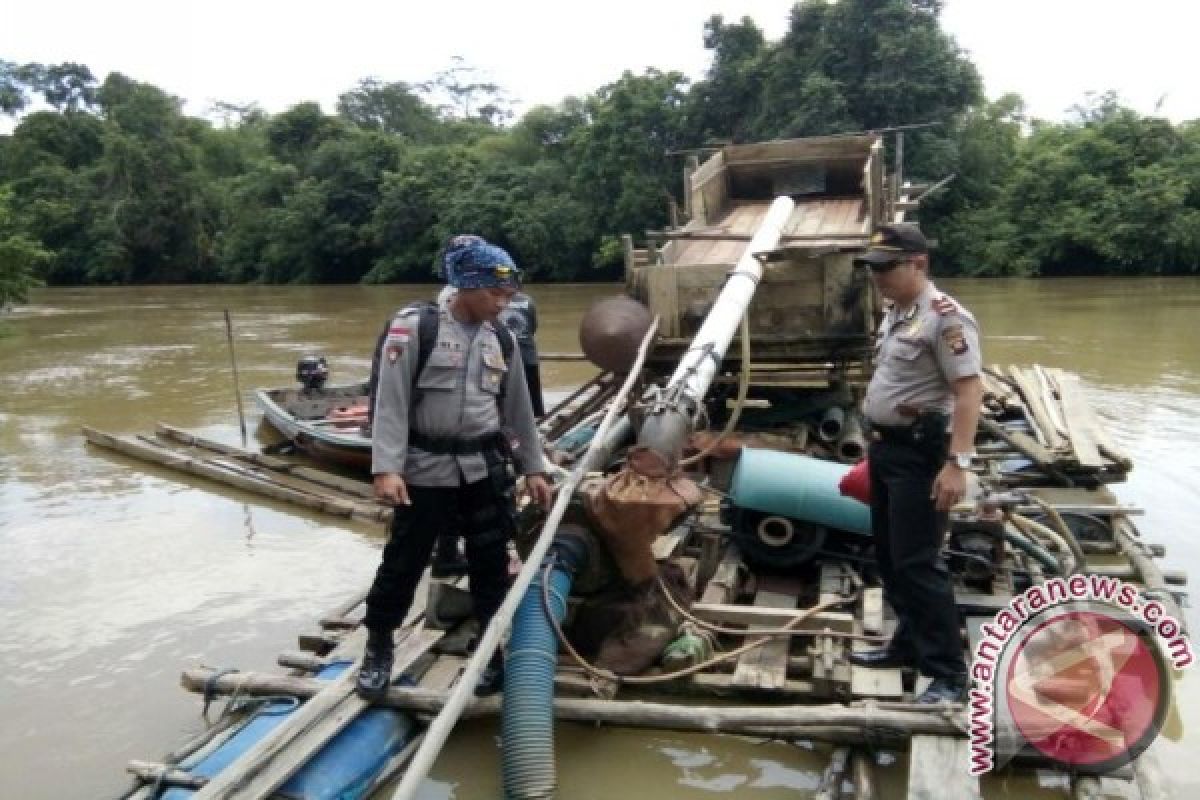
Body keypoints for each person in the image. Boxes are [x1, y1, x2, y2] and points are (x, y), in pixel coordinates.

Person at [358, 236, 554, 700]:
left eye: (508, 296)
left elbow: (518, 409)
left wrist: (534, 466)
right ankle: (379, 647)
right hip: (424, 469)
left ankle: (490, 651)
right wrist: (386, 467)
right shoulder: (416, 328)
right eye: (495, 294)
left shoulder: (500, 336)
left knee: (491, 563)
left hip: (484, 469)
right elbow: (390, 401)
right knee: (403, 562)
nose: (503, 303)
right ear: (465, 286)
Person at [847, 223, 984, 705]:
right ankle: (908, 644)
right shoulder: (897, 313)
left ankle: (949, 673)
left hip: (922, 455)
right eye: (874, 268)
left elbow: (969, 392)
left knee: (919, 563)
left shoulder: (946, 319)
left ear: (918, 264)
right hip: (887, 451)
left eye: (886, 267)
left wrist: (957, 464)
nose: (877, 276)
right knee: (889, 558)